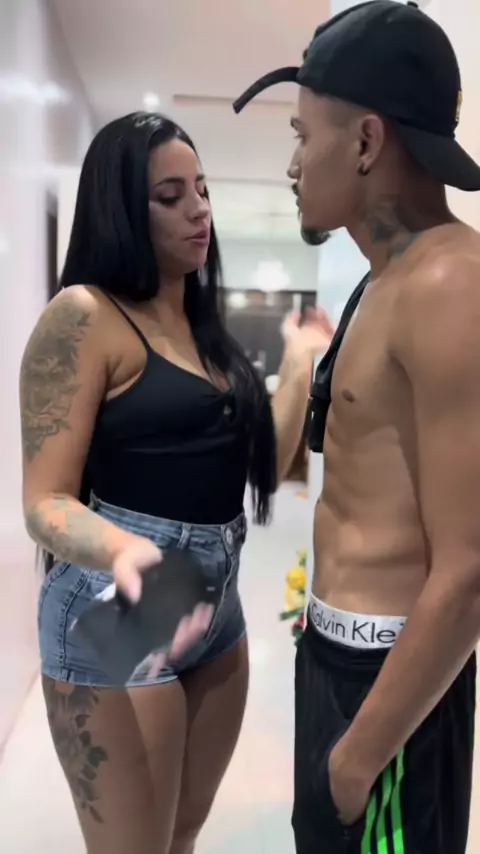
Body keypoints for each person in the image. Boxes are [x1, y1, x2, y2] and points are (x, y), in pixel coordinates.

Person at [19, 112, 333, 854]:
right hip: (125, 597)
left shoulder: (201, 328)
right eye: (170, 195)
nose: (199, 210)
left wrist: (298, 359)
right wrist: (124, 550)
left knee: (183, 836)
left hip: (216, 602)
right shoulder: (86, 315)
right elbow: (43, 501)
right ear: (121, 209)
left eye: (202, 189)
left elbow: (262, 463)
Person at [234, 1, 480, 852]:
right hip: (339, 663)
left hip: (388, 691)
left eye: (304, 136)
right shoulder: (384, 281)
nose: (294, 163)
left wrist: (356, 759)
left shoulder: (449, 285)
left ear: (368, 142)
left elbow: (469, 568)